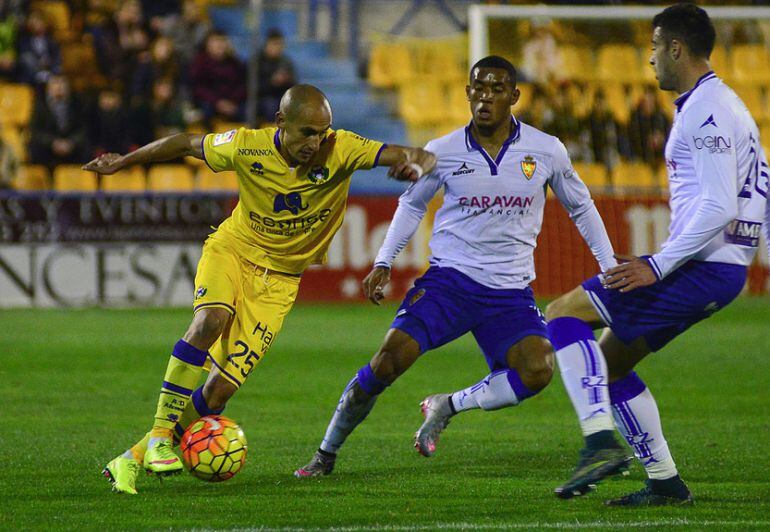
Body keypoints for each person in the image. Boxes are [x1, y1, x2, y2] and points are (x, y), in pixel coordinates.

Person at [87, 84, 436, 495]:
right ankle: (162, 437)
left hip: (280, 282)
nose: (315, 142)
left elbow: (418, 154)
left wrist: (415, 166)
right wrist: (124, 162)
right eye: (307, 132)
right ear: (281, 122)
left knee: (218, 393)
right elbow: (185, 143)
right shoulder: (246, 146)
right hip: (233, 251)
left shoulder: (342, 148)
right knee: (210, 319)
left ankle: (130, 459)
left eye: (322, 132)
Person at [294, 56, 617, 478]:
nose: (485, 97)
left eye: (496, 89)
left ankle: (447, 405)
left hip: (510, 292)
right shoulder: (442, 151)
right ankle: (326, 453)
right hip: (450, 283)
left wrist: (609, 267)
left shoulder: (546, 150)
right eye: (478, 88)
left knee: (537, 371)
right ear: (467, 93)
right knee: (387, 361)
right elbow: (412, 204)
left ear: (514, 96)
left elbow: (581, 207)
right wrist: (384, 261)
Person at [545, 3, 770, 506]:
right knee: (609, 364)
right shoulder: (726, 105)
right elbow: (763, 184)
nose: (649, 59)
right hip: (716, 270)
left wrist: (657, 264)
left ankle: (598, 444)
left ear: (676, 48)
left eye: (654, 47)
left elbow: (719, 205)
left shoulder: (708, 110)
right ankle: (665, 482)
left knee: (562, 314)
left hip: (698, 268)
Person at [28, 75, 88, 168]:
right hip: (47, 148)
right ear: (48, 88)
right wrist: (53, 143)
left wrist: (71, 143)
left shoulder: (78, 103)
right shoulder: (39, 105)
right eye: (55, 84)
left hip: (72, 148)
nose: (59, 87)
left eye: (62, 83)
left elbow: (83, 129)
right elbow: (36, 131)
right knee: (34, 146)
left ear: (68, 88)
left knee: (86, 146)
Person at [257, 28, 296, 124]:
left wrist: (286, 80)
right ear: (267, 45)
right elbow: (253, 88)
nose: (277, 47)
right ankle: (273, 131)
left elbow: (294, 86)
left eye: (280, 44)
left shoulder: (286, 62)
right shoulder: (257, 61)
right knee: (270, 105)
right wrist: (272, 82)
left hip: (281, 97)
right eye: (274, 44)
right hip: (262, 98)